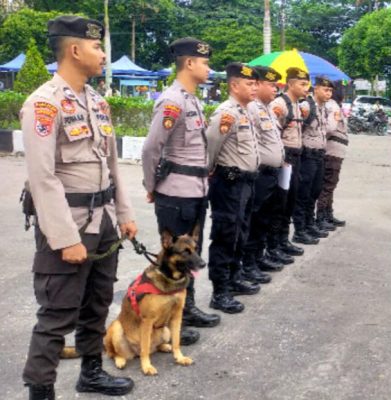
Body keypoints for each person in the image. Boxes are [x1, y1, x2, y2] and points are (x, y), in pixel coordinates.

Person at [20, 15, 137, 399]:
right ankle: (41, 390)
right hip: (68, 225)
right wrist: (64, 238)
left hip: (102, 222)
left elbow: (112, 166)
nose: (103, 54)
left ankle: (91, 372)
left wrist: (124, 215)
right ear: (74, 50)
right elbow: (42, 179)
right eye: (97, 47)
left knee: (98, 304)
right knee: (57, 315)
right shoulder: (43, 104)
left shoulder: (98, 103)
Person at [140, 37, 220, 346]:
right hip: (175, 193)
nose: (208, 68)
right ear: (189, 63)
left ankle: (187, 309)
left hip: (196, 191)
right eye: (204, 63)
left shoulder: (192, 99)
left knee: (192, 256)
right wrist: (152, 186)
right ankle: (172, 319)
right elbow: (150, 149)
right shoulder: (172, 101)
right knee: (175, 258)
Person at [205, 62, 260, 314]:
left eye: (256, 83)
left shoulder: (245, 111)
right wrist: (209, 174)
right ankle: (220, 291)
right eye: (250, 83)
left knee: (241, 233)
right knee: (226, 236)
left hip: (246, 183)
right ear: (234, 85)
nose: (255, 88)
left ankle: (235, 277)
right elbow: (210, 148)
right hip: (229, 183)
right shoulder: (227, 113)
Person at [241, 65, 287, 282]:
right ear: (257, 85)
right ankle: (248, 263)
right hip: (259, 174)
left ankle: (258, 257)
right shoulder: (251, 109)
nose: (275, 90)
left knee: (265, 218)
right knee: (255, 218)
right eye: (271, 85)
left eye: (277, 86)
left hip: (273, 173)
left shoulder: (268, 109)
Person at [269, 67, 313, 250]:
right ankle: (274, 245)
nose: (306, 88)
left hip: (297, 157)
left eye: (307, 84)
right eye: (302, 84)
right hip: (285, 158)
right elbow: (273, 134)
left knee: (291, 200)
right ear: (291, 84)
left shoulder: (298, 104)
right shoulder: (280, 105)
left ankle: (283, 240)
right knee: (280, 202)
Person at [294, 76, 335, 241]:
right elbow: (296, 130)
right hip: (307, 155)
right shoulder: (306, 106)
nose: (329, 93)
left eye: (331, 90)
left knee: (315, 191)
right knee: (303, 193)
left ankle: (309, 224)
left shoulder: (322, 108)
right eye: (326, 90)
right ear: (316, 88)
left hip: (319, 154)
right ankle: (300, 230)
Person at [316, 81, 348, 229]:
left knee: (330, 184)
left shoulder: (331, 105)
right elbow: (330, 128)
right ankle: (322, 216)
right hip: (333, 151)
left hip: (335, 150)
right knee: (329, 184)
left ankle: (328, 214)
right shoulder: (333, 106)